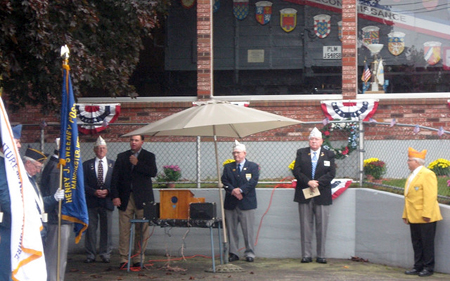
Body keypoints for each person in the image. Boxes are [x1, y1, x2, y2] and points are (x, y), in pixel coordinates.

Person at [111, 134, 157, 268]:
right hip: (126, 198)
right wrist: (115, 196)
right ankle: (123, 258)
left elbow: (153, 172)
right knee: (124, 229)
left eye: (136, 140)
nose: (133, 142)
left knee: (142, 229)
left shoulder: (149, 156)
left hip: (143, 198)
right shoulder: (122, 156)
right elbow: (115, 178)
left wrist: (137, 164)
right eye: (131, 140)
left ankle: (138, 257)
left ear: (142, 142)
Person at [293, 127, 335, 264]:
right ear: (308, 141)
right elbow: (296, 171)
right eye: (312, 139)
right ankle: (306, 255)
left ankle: (321, 255)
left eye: (316, 139)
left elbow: (331, 173)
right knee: (305, 225)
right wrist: (308, 182)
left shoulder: (329, 154)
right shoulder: (301, 153)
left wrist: (317, 183)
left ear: (322, 141)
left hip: (321, 194)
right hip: (304, 193)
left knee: (322, 225)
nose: (314, 141)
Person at [403, 147, 443, 277]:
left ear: (416, 161)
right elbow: (408, 197)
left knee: (427, 242)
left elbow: (430, 196)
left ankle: (428, 267)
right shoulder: (412, 175)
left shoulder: (427, 174)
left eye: (409, 160)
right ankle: (418, 266)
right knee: (417, 242)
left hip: (425, 216)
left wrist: (427, 213)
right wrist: (406, 214)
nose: (407, 162)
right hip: (413, 215)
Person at [221, 140, 259, 262]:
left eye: (238, 152)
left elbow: (253, 181)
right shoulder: (228, 167)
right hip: (231, 203)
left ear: (244, 153)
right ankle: (233, 253)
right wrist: (233, 191)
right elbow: (225, 181)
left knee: (248, 230)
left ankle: (250, 253)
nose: (236, 155)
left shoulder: (253, 166)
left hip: (246, 203)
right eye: (234, 153)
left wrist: (241, 191)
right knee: (231, 229)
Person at [40, 138, 72, 281]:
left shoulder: (54, 165)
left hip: (58, 218)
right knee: (56, 256)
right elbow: (55, 196)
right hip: (57, 218)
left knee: (58, 255)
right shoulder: (56, 168)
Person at [83, 136, 115, 263]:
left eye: (103, 148)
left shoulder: (113, 164)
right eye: (98, 148)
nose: (101, 150)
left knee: (107, 230)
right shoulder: (86, 165)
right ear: (94, 150)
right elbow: (82, 183)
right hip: (92, 201)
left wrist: (108, 191)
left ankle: (105, 253)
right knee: (90, 229)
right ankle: (90, 254)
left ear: (106, 150)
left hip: (107, 201)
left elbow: (117, 182)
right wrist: (93, 192)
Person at [23, 147, 64, 242]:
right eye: (37, 167)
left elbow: (39, 202)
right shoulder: (22, 180)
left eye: (40, 168)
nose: (38, 171)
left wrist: (54, 198)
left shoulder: (31, 178)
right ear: (28, 163)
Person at [0, 124, 22, 281]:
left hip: (9, 221)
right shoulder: (2, 166)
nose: (20, 145)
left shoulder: (9, 164)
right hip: (5, 222)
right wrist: (20, 213)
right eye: (17, 141)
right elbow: (4, 196)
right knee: (5, 264)